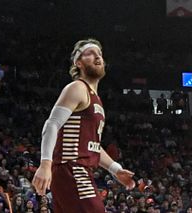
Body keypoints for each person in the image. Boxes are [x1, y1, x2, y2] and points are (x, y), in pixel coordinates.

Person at [32, 39, 135, 212]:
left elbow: (92, 145)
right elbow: (51, 125)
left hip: (74, 170)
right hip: (71, 168)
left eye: (99, 54)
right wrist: (45, 164)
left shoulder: (96, 98)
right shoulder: (78, 88)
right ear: (78, 62)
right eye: (90, 53)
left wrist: (116, 170)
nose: (97, 57)